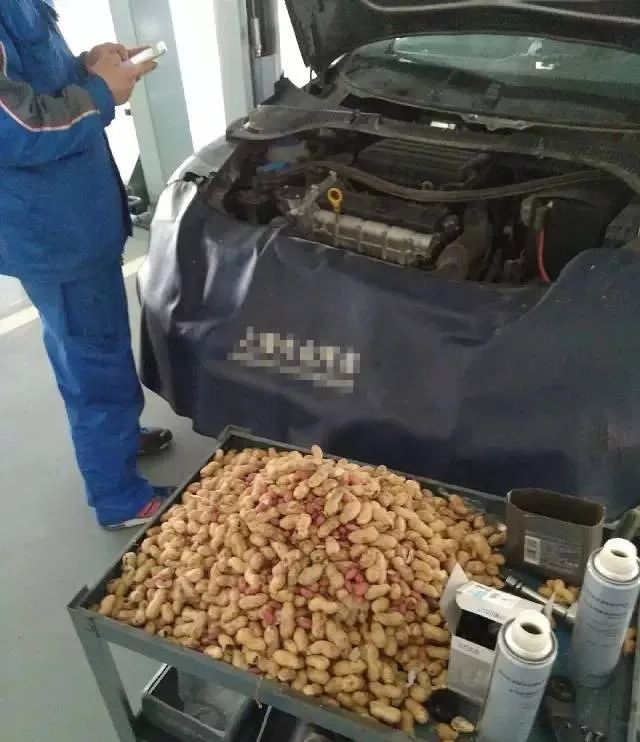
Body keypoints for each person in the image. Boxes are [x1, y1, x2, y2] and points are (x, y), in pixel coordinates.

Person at [0, 0, 174, 529]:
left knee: (93, 344)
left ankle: (117, 439)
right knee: (91, 358)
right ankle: (119, 496)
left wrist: (87, 67)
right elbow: (12, 128)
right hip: (52, 229)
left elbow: (29, 81)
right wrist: (99, 93)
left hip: (74, 212)